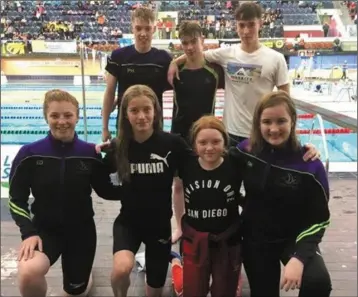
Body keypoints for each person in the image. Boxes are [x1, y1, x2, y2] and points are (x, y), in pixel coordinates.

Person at [8, 89, 120, 297]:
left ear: (77, 117)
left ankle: (82, 280)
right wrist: (28, 232)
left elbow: (106, 191)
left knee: (76, 291)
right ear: (46, 117)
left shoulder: (89, 153)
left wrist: (114, 162)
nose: (62, 121)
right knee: (28, 272)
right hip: (44, 230)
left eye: (68, 115)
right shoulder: (29, 154)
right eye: (55, 115)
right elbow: (16, 199)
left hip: (81, 232)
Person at [231, 90, 332, 297]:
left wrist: (299, 257)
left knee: (317, 282)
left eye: (281, 121)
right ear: (258, 123)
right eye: (267, 121)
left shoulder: (309, 165)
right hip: (256, 238)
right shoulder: (246, 151)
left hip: (294, 237)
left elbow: (320, 220)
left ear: (293, 121)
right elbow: (215, 164)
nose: (274, 129)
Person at [99, 85, 190, 297]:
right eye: (134, 110)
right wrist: (121, 193)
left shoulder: (172, 144)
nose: (141, 116)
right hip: (128, 223)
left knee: (156, 287)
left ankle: (172, 258)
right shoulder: (119, 147)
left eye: (147, 109)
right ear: (126, 115)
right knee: (121, 269)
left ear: (155, 111)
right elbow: (98, 178)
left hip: (159, 226)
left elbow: (197, 169)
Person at [168, 2, 290, 147]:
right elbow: (198, 54)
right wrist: (174, 62)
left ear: (260, 24)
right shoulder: (226, 54)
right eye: (241, 25)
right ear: (236, 26)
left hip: (261, 133)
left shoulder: (276, 59)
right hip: (230, 134)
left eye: (251, 25)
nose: (246, 31)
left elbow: (287, 104)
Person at [176, 115, 243, 297]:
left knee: (223, 292)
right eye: (203, 142)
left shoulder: (236, 163)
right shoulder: (187, 164)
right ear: (194, 145)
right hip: (194, 239)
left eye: (216, 141)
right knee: (194, 291)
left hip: (228, 239)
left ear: (225, 142)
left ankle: (235, 282)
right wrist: (177, 226)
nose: (209, 148)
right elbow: (178, 190)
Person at [170, 20, 225, 243]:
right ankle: (180, 226)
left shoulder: (215, 70)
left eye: (193, 42)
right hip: (179, 134)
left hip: (206, 134)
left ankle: (207, 223)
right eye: (184, 43)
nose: (190, 47)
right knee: (179, 184)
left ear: (202, 40)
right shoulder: (175, 70)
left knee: (208, 180)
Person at [102, 6, 172, 142]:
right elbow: (110, 92)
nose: (143, 33)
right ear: (132, 29)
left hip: (154, 124)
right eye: (138, 28)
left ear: (155, 29)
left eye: (148, 28)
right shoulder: (119, 57)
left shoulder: (164, 59)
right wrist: (104, 127)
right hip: (125, 124)